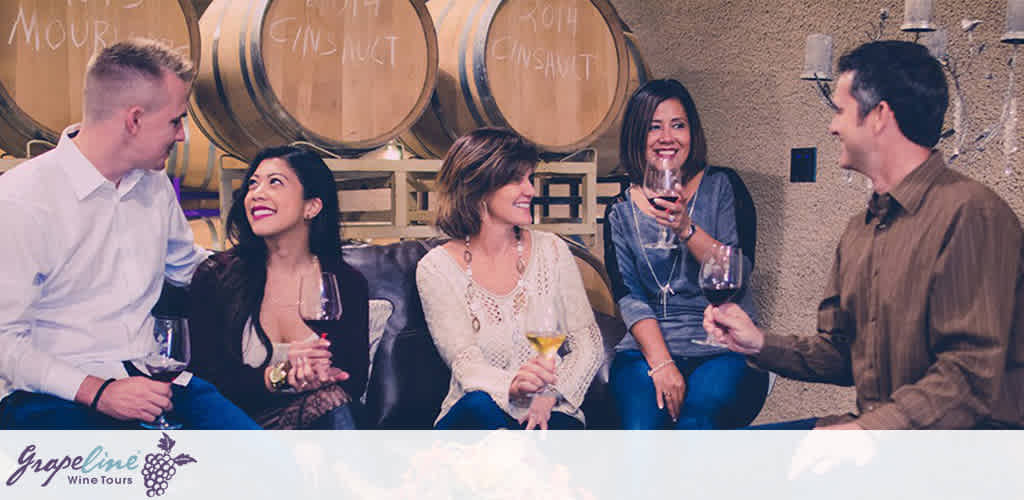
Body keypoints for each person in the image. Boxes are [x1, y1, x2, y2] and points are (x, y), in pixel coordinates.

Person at [704, 40, 1024, 430]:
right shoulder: (860, 230)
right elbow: (841, 354)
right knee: (721, 461)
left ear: (879, 117)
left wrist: (863, 434)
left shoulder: (972, 214)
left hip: (961, 454)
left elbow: (968, 376)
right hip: (878, 434)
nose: (832, 125)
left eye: (840, 110)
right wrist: (757, 342)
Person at [0, 39, 259, 429]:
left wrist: (285, 273)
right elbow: (4, 343)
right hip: (49, 393)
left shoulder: (155, 187)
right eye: (176, 121)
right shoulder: (22, 200)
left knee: (269, 467)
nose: (182, 136)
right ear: (134, 120)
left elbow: (193, 270)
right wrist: (99, 391)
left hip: (152, 376)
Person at [603, 78, 769, 429]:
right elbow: (630, 297)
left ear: (692, 133)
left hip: (724, 345)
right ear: (637, 136)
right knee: (641, 431)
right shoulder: (619, 210)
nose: (668, 137)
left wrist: (686, 229)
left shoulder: (723, 186)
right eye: (654, 127)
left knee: (698, 423)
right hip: (647, 350)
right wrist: (662, 364)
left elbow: (735, 276)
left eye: (678, 125)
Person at [417, 127, 603, 430]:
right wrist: (514, 386)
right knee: (480, 405)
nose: (530, 190)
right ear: (478, 186)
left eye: (529, 178)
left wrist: (550, 395)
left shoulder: (552, 250)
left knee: (552, 431)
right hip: (478, 416)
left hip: (549, 410)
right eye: (516, 180)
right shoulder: (435, 268)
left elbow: (588, 344)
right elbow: (466, 364)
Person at [188, 146, 369, 429]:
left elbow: (353, 380)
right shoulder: (217, 276)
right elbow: (203, 379)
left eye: (275, 182)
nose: (257, 193)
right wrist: (277, 376)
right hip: (234, 425)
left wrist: (319, 372)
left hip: (314, 425)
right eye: (253, 183)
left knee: (334, 399)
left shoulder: (345, 283)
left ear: (312, 206)